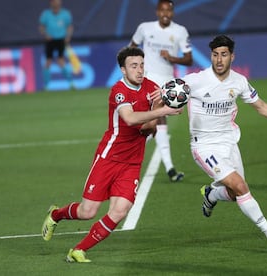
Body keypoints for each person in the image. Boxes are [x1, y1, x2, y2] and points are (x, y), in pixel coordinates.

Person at [41, 47, 182, 263]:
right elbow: (130, 119)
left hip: (132, 162)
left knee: (121, 209)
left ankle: (78, 250)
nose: (139, 70)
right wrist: (162, 111)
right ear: (123, 70)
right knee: (87, 212)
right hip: (109, 158)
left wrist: (159, 104)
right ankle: (55, 215)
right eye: (133, 66)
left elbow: (148, 129)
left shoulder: (153, 88)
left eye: (142, 65)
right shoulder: (119, 90)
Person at [182, 34, 267, 249]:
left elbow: (261, 106)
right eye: (215, 55)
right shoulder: (196, 80)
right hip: (204, 146)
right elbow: (170, 91)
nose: (219, 59)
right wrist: (160, 99)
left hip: (229, 143)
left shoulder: (239, 81)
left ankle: (211, 194)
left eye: (224, 54)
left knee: (234, 194)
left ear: (232, 57)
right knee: (241, 186)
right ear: (211, 56)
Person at [130, 0, 193, 182]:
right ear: (157, 11)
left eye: (169, 10)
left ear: (172, 13)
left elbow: (188, 59)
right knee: (156, 121)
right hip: (148, 80)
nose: (166, 13)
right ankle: (169, 168)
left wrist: (171, 57)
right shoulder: (145, 28)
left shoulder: (180, 31)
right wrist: (135, 68)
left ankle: (168, 167)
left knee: (157, 123)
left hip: (167, 83)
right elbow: (131, 47)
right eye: (163, 10)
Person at [39, 0, 73, 89]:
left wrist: (68, 36)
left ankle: (71, 83)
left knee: (61, 61)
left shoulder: (65, 14)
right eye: (53, 1)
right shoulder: (46, 14)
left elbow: (69, 26)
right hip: (50, 40)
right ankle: (46, 86)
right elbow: (41, 27)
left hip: (61, 39)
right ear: (51, 3)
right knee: (48, 62)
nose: (55, 3)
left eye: (57, 1)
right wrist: (45, 34)